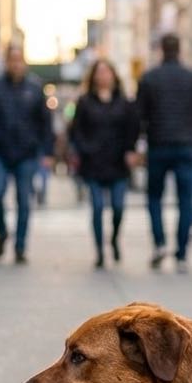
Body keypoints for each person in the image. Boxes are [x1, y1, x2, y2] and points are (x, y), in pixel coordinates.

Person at [136, 33, 192, 273]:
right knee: (186, 201)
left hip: (158, 144)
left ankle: (160, 243)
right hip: (187, 146)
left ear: (161, 49)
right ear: (179, 49)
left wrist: (135, 146)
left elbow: (138, 116)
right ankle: (181, 253)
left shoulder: (149, 78)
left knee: (154, 198)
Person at [0, 43, 54, 264]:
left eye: (19, 60)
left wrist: (47, 151)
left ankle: (20, 246)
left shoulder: (35, 88)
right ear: (6, 62)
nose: (15, 64)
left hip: (27, 154)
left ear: (24, 62)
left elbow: (45, 123)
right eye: (12, 60)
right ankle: (2, 232)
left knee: (24, 201)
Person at [68, 59, 139, 269]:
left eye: (107, 72)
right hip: (93, 163)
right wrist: (83, 149)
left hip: (118, 163)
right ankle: (99, 250)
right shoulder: (84, 102)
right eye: (99, 72)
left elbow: (132, 129)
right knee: (97, 207)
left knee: (118, 207)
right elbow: (76, 131)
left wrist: (131, 150)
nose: (103, 76)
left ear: (114, 76)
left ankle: (114, 239)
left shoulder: (124, 103)